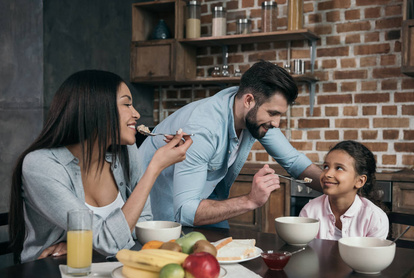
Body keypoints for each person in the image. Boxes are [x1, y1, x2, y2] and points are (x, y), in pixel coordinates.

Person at [9, 70, 192, 263]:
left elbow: (141, 223)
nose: (136, 113)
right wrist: (154, 168)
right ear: (97, 109)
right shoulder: (41, 165)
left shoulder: (125, 154)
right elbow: (109, 243)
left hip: (103, 268)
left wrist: (85, 243)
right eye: (127, 104)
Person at [138, 60, 322, 228]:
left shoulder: (250, 114)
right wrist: (250, 200)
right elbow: (184, 212)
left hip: (201, 198)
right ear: (249, 100)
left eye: (280, 114)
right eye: (273, 113)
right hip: (159, 210)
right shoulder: (203, 130)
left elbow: (294, 161)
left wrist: (336, 186)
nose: (276, 123)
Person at [299, 140, 389, 240]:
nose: (327, 173)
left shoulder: (375, 218)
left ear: (360, 181)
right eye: (326, 166)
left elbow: (371, 255)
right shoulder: (309, 211)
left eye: (339, 168)